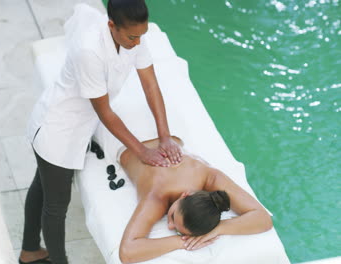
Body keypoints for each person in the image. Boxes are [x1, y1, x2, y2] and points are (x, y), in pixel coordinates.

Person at [20, 1, 183, 263]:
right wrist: (142, 151)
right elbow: (105, 111)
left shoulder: (134, 36)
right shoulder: (89, 49)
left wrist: (164, 136)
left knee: (42, 187)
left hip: (78, 125)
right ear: (111, 26)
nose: (138, 42)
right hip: (57, 130)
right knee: (56, 206)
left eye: (142, 35)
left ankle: (29, 252)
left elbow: (151, 85)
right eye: (132, 36)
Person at [118, 136, 273, 264]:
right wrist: (182, 241)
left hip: (171, 140)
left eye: (177, 230)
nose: (170, 226)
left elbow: (262, 218)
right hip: (126, 144)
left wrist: (219, 228)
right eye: (172, 216)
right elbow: (127, 252)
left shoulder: (210, 176)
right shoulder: (157, 197)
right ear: (185, 195)